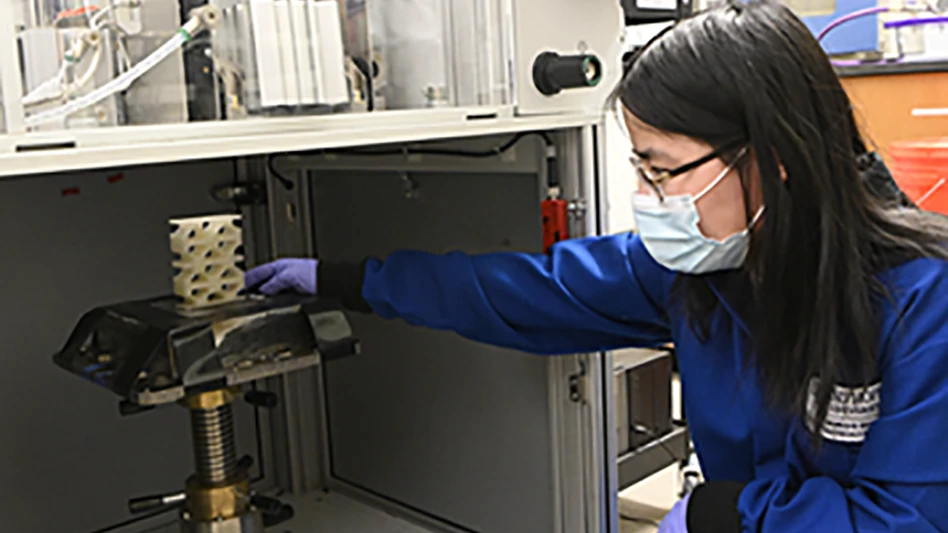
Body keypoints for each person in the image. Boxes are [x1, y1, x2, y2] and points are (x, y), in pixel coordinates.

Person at [245, 2, 948, 532]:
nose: (648, 199)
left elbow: (903, 520)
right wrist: (345, 280)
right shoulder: (700, 269)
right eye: (639, 169)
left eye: (663, 170)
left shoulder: (922, 301)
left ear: (775, 158)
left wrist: (728, 510)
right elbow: (519, 291)